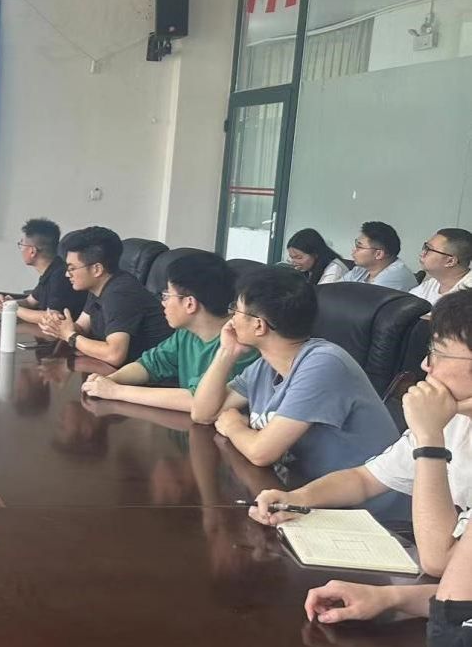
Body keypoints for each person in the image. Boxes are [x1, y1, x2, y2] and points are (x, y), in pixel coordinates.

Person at [250, 290, 472, 575]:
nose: (425, 364)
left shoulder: (436, 423)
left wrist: (429, 439)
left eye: (438, 352)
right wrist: (296, 499)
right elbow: (364, 479)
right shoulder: (454, 419)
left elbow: (440, 562)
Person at [191, 267, 404, 519]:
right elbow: (203, 413)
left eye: (235, 310)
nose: (231, 319)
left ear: (258, 325)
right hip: (305, 497)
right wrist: (226, 352)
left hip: (367, 516)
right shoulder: (264, 366)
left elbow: (261, 452)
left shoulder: (324, 364)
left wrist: (234, 426)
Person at [80, 251, 257, 413]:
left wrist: (117, 391)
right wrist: (111, 380)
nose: (162, 302)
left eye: (166, 295)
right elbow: (150, 365)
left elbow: (196, 400)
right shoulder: (186, 333)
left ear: (189, 303)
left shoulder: (238, 345)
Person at [37, 226, 172, 367]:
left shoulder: (120, 293)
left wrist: (70, 336)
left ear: (97, 269)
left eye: (72, 268)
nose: (67, 274)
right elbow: (82, 327)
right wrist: (59, 326)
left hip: (154, 373)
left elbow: (114, 355)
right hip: (122, 368)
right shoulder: (98, 286)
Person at [0, 218, 86, 323]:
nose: (21, 249)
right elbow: (30, 301)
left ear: (32, 251)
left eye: (21, 245)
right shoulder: (50, 270)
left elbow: (53, 317)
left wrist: (12, 308)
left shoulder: (60, 275)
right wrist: (7, 303)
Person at [344, 221, 417, 292]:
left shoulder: (394, 277)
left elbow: (362, 299)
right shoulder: (361, 269)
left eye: (359, 247)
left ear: (378, 254)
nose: (354, 250)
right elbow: (338, 288)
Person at [412, 228, 472, 305]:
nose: (422, 254)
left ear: (450, 261)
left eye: (429, 249)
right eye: (425, 247)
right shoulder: (433, 283)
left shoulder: (468, 294)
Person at [286, 228, 350, 285]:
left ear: (315, 254)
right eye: (291, 257)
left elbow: (321, 293)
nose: (293, 262)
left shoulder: (334, 270)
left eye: (298, 257)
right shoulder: (309, 268)